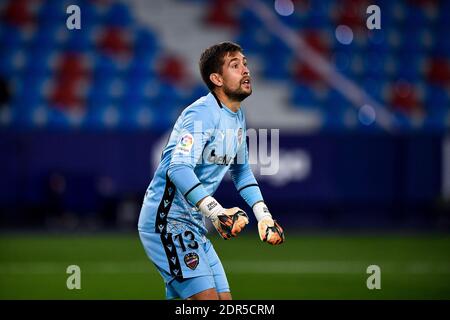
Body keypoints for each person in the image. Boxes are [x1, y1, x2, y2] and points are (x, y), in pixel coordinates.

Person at [138, 42, 285, 300]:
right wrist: (217, 211)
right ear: (216, 78)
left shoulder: (236, 116)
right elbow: (178, 167)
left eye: (245, 64)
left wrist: (264, 216)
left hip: (192, 224)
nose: (245, 71)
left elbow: (241, 172)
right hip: (167, 221)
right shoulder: (201, 114)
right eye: (235, 65)